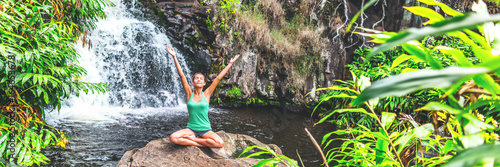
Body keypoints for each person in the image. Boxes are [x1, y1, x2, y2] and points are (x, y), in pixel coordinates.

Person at [166, 45, 240, 148]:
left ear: (204, 83)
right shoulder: (189, 93)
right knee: (173, 138)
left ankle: (194, 140)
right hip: (191, 129)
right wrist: (174, 56)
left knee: (220, 143)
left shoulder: (207, 94)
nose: (199, 80)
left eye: (201, 78)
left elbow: (218, 78)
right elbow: (182, 75)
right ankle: (198, 142)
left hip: (206, 130)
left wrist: (230, 63)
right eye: (196, 78)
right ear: (193, 82)